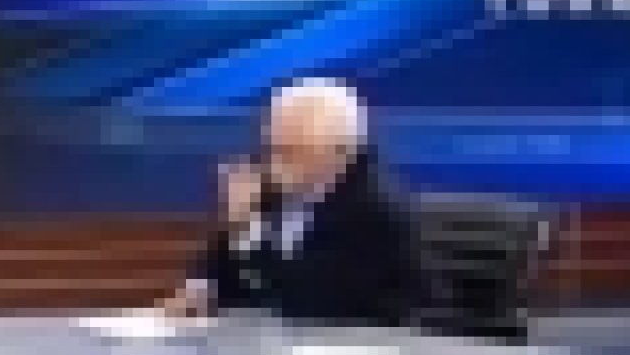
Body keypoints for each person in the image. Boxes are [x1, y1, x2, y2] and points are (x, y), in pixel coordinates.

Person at [163, 76, 430, 328]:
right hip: (263, 344)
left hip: (355, 349)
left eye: (291, 151)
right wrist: (201, 287)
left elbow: (298, 301)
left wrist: (247, 230)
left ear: (340, 152)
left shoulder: (375, 208)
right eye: (272, 148)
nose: (274, 164)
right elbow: (222, 267)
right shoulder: (270, 187)